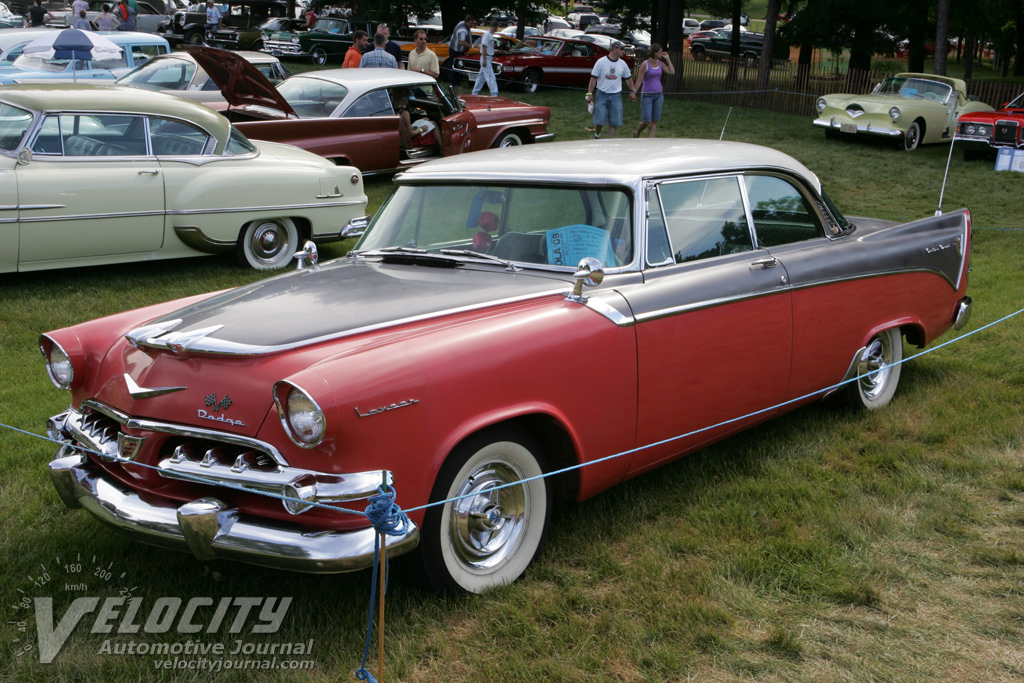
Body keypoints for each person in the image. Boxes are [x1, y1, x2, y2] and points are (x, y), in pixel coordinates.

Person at [585, 42, 634, 139]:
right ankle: (597, 135)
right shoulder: (601, 62)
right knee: (599, 120)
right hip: (602, 95)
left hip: (616, 96)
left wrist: (633, 91)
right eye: (621, 49)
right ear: (615, 49)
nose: (623, 52)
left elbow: (628, 79)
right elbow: (593, 79)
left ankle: (609, 141)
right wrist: (589, 93)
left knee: (614, 122)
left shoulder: (622, 64)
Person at [631, 43, 674, 138]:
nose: (662, 53)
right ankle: (637, 132)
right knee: (646, 121)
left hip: (658, 95)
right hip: (647, 95)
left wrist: (668, 59)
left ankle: (651, 142)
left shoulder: (660, 63)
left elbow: (671, 71)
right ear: (655, 53)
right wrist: (634, 92)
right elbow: (639, 80)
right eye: (660, 52)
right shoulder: (645, 64)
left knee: (654, 121)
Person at [391, 87, 440, 152]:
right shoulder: (404, 113)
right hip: (411, 141)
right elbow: (411, 134)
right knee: (434, 124)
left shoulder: (391, 110)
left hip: (398, 140)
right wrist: (422, 129)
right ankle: (443, 149)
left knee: (428, 121)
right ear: (404, 98)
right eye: (408, 97)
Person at [442, 13, 474, 88]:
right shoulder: (463, 30)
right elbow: (462, 42)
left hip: (457, 49)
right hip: (455, 50)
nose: (472, 25)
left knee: (455, 65)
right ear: (467, 21)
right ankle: (454, 83)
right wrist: (472, 46)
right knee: (454, 66)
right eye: (471, 23)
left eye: (473, 23)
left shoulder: (463, 24)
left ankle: (455, 82)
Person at [471, 19, 498, 97]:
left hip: (487, 57)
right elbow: (483, 46)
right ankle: (494, 94)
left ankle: (474, 93)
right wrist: (484, 60)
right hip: (486, 57)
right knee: (491, 77)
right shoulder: (487, 35)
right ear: (494, 26)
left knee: (481, 78)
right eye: (496, 27)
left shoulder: (490, 35)